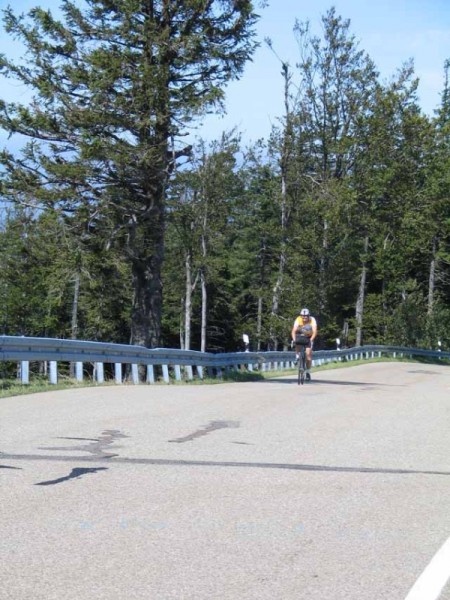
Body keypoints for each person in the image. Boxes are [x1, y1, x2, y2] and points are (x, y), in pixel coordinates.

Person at [291, 308, 317, 381]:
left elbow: (315, 332)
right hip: (300, 335)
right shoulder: (298, 319)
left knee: (308, 355)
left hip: (309, 336)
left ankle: (308, 372)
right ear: (301, 316)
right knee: (297, 341)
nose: (304, 317)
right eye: (303, 316)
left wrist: (311, 340)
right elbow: (293, 331)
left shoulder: (312, 320)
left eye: (306, 316)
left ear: (309, 316)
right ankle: (297, 356)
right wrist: (294, 340)